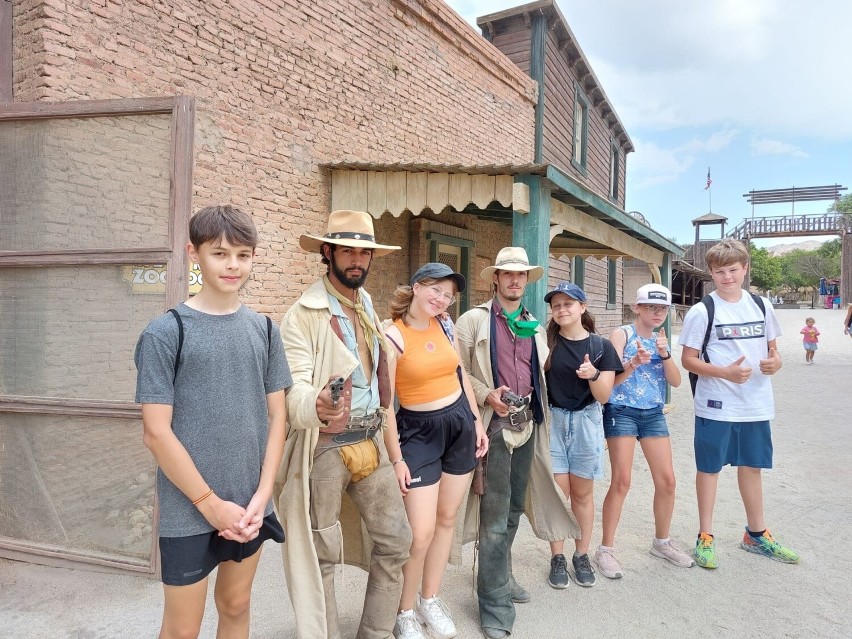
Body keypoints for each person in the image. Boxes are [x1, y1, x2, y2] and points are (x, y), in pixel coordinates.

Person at [134, 205, 291, 639]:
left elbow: (277, 416)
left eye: (243, 255)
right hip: (190, 505)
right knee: (183, 628)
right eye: (220, 253)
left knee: (237, 606)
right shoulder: (165, 333)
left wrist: (264, 493)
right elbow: (155, 431)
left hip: (249, 504)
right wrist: (210, 504)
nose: (233, 265)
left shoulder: (264, 329)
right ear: (194, 253)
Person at [274, 210, 412, 639]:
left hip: (369, 437)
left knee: (397, 542)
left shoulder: (366, 303)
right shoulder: (304, 314)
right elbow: (292, 388)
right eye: (348, 250)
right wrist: (314, 405)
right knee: (322, 556)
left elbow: (376, 380)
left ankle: (374, 632)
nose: (357, 259)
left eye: (364, 251)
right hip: (325, 447)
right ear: (327, 253)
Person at [455, 248, 580, 639]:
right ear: (495, 278)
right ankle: (493, 603)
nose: (514, 281)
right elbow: (455, 372)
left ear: (527, 280)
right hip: (492, 426)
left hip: (527, 424)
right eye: (507, 274)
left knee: (512, 510)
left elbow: (541, 372)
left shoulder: (534, 325)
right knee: (493, 518)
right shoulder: (473, 321)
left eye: (520, 275)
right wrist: (486, 393)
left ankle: (501, 576)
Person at [679, 238, 799, 569]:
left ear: (745, 269)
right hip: (715, 403)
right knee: (709, 468)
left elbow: (773, 350)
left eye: (733, 270)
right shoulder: (703, 311)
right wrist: (724, 373)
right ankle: (705, 535)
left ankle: (756, 534)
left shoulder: (762, 306)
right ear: (711, 274)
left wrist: (775, 362)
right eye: (720, 272)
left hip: (756, 403)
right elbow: (688, 360)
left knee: (752, 466)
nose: (727, 277)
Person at [383, 263, 488, 639]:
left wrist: (476, 422)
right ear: (415, 287)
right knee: (421, 532)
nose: (441, 299)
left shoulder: (446, 326)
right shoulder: (393, 335)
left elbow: (459, 374)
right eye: (434, 289)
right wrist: (396, 458)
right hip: (418, 433)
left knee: (447, 520)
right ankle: (405, 611)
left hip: (459, 425)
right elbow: (386, 405)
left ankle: (430, 599)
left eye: (447, 294)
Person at [596, 283, 694, 580]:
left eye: (662, 308)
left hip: (653, 413)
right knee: (622, 481)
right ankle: (605, 549)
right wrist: (632, 363)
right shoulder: (621, 334)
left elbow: (676, 382)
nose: (657, 313)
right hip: (622, 411)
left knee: (667, 480)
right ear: (637, 307)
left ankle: (661, 542)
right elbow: (607, 382)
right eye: (651, 307)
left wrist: (664, 355)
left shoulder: (663, 338)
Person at [543, 282, 622, 588]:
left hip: (587, 423)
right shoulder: (546, 344)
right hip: (554, 422)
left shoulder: (601, 347)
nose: (562, 309)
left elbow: (603, 397)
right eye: (557, 305)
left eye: (568, 304)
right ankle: (557, 557)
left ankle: (581, 554)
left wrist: (594, 375)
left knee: (582, 495)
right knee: (558, 494)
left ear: (582, 307)